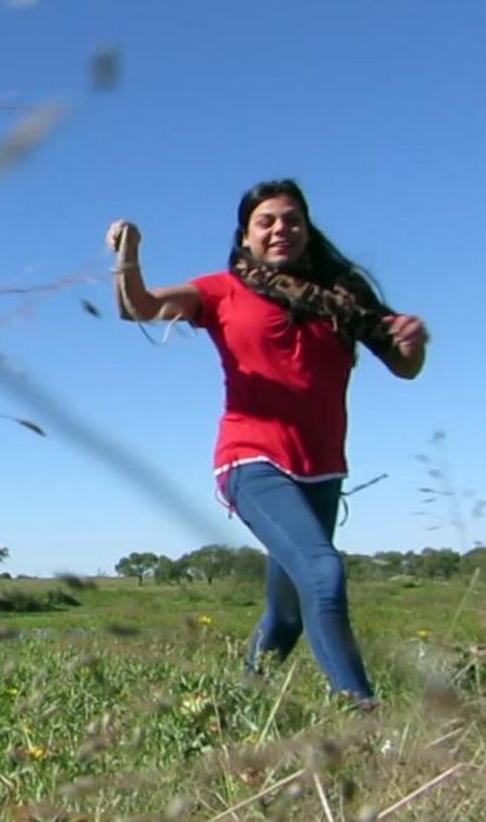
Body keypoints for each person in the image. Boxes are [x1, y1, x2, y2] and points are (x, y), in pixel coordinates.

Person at [104, 179, 428, 707]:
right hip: (251, 461)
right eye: (267, 221)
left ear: (307, 228)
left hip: (322, 469)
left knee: (288, 616)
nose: (281, 229)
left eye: (292, 219)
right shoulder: (221, 291)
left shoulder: (342, 296)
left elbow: (405, 368)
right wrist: (129, 252)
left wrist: (412, 344)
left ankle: (238, 708)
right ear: (247, 237)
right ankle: (364, 715)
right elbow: (136, 307)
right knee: (323, 572)